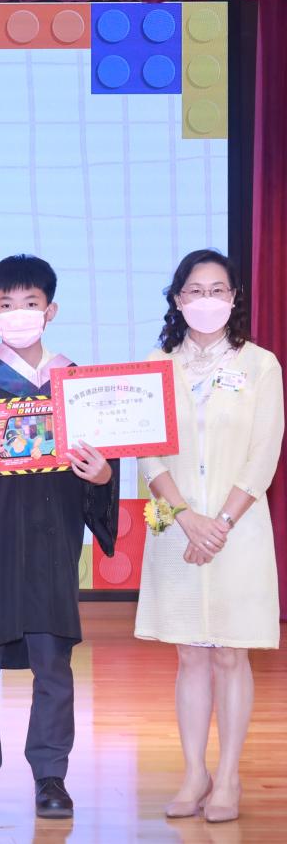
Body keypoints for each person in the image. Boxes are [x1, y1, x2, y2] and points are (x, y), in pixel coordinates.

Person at [0, 254, 119, 820]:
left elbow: (103, 464)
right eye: (7, 304)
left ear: (51, 310)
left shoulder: (77, 385)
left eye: (30, 303)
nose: (19, 313)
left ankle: (51, 775)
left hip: (50, 542)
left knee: (53, 665)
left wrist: (103, 476)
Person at [134, 250, 283, 823]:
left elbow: (264, 453)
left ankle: (229, 777)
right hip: (176, 528)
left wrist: (219, 523)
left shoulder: (260, 365)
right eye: (194, 290)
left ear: (235, 297)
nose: (206, 300)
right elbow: (147, 450)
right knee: (190, 655)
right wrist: (186, 517)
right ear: (177, 300)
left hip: (237, 530)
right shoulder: (156, 365)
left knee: (229, 653)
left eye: (218, 290)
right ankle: (194, 773)